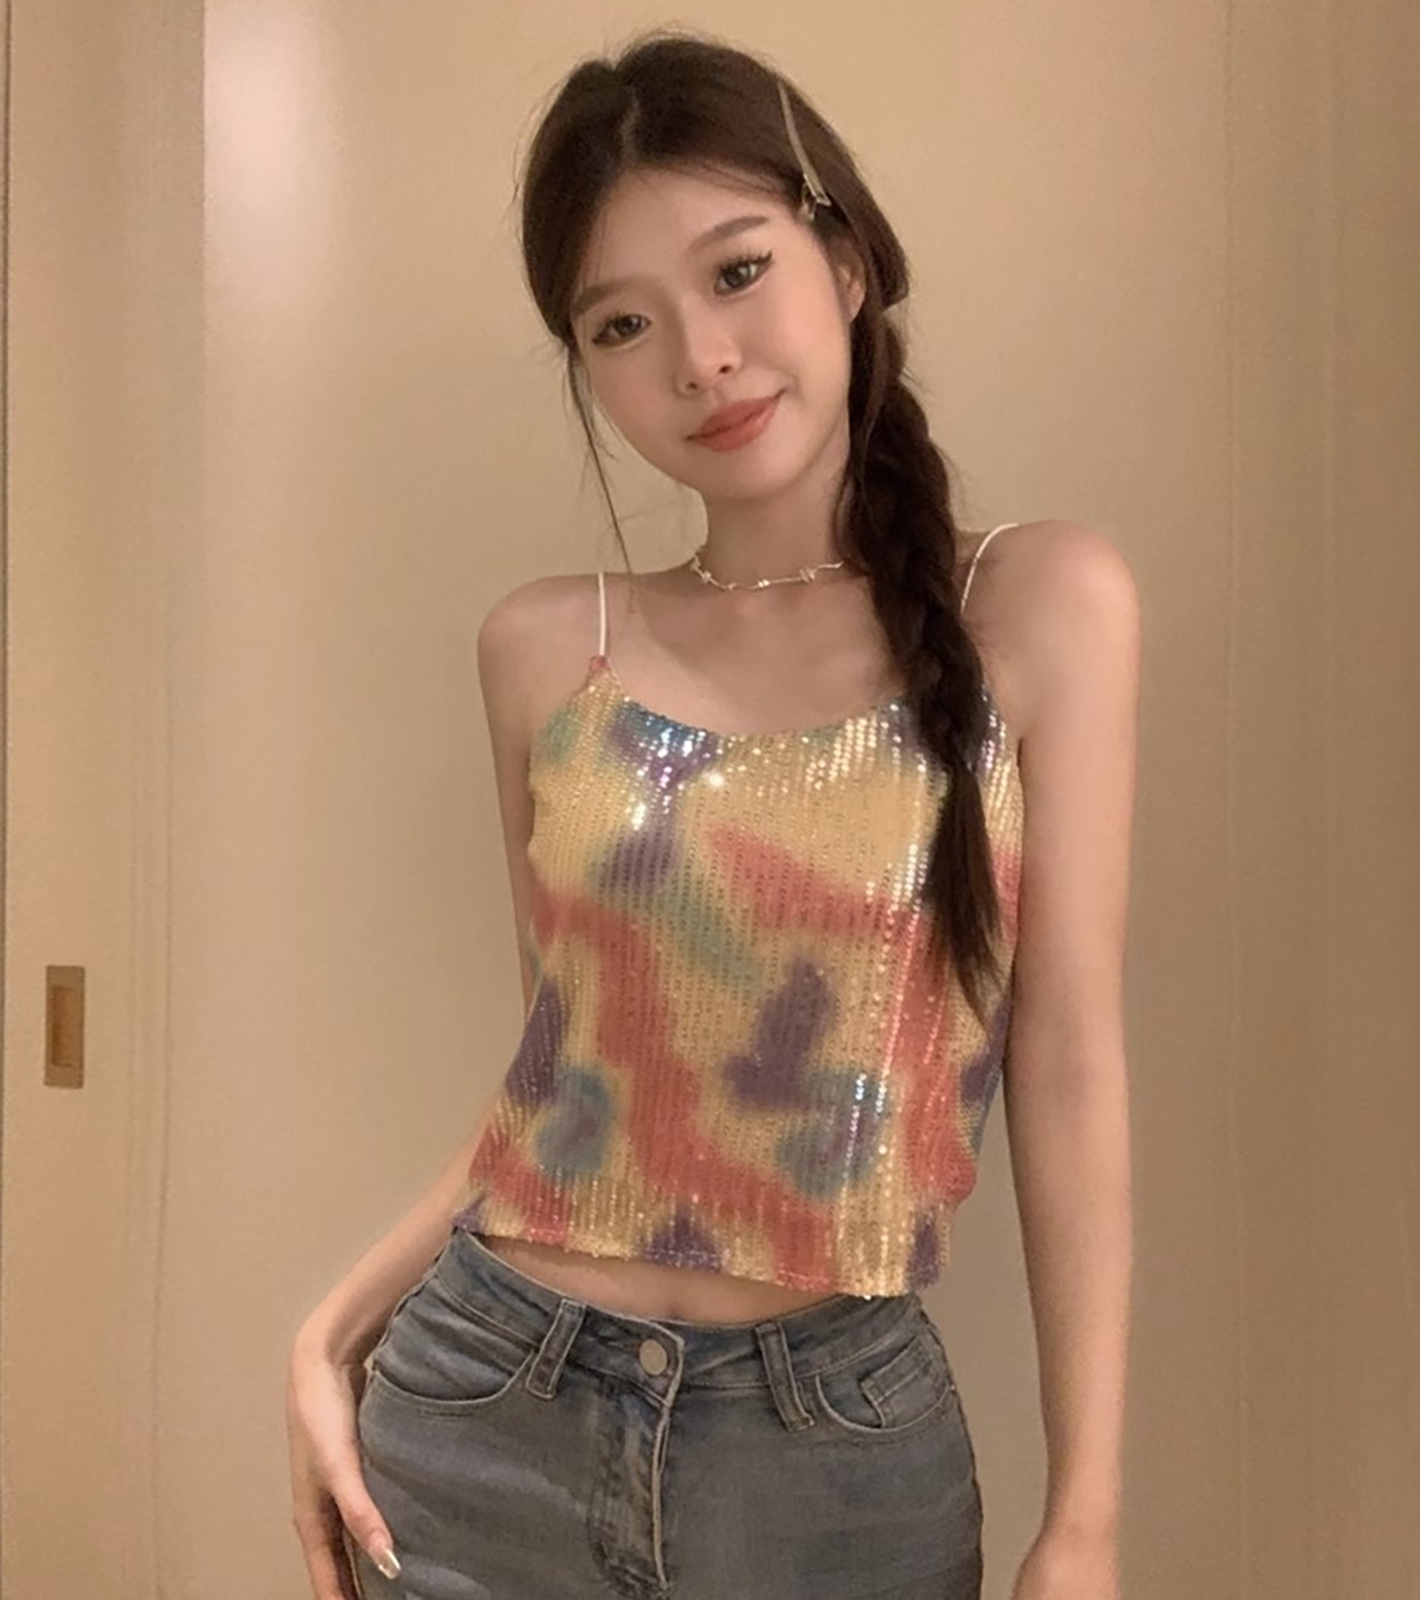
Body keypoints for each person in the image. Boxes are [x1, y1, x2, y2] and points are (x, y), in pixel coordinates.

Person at [287, 26, 1136, 1600]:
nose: (699, 359)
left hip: (835, 1460)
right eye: (622, 323)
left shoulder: (1040, 604)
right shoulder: (549, 647)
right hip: (484, 1410)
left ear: (848, 261)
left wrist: (1084, 1518)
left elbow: (1070, 1064)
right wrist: (332, 1325)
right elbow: (569, 1079)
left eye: (737, 272)